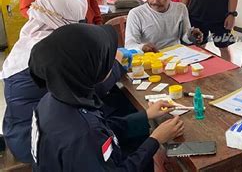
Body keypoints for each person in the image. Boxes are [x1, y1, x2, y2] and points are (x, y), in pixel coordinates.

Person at [29, 24, 185, 171]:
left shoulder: (53, 99)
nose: (114, 63)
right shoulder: (83, 135)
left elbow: (104, 130)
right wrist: (155, 140)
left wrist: (145, 116)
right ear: (90, 69)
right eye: (108, 59)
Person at [1, 0, 128, 163]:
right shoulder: (53, 54)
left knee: (116, 105)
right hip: (36, 140)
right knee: (116, 116)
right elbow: (84, 92)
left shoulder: (33, 37)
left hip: (20, 128)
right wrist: (117, 67)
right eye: (78, 21)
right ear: (65, 20)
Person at [125, 0, 203, 52]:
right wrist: (142, 47)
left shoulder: (181, 9)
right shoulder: (136, 14)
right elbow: (129, 45)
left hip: (177, 56)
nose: (154, 1)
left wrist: (191, 36)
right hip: (151, 59)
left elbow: (185, 38)